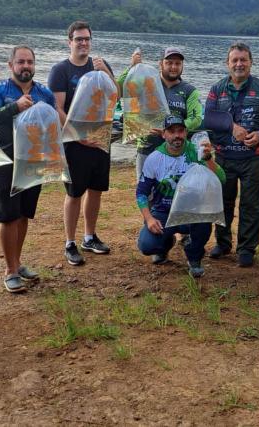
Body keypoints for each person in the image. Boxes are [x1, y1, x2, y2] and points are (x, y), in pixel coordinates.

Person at [0, 45, 56, 293]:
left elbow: (52, 127)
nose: (26, 67)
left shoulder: (45, 93)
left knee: (24, 215)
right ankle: (9, 270)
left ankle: (18, 261)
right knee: (8, 216)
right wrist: (15, 107)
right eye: (21, 62)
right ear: (10, 64)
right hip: (7, 161)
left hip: (34, 161)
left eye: (30, 62)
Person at [48, 20, 116, 266]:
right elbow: (57, 107)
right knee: (75, 192)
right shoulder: (61, 70)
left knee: (96, 190)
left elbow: (116, 95)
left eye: (87, 39)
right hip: (75, 142)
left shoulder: (100, 65)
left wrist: (106, 72)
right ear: (70, 42)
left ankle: (89, 236)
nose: (83, 43)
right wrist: (79, 135)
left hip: (99, 139)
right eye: (78, 39)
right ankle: (70, 242)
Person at [202, 42, 259, 267]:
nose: (239, 64)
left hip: (254, 158)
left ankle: (246, 248)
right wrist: (232, 127)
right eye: (235, 60)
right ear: (227, 63)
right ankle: (223, 244)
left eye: (243, 60)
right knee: (222, 202)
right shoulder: (217, 89)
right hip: (224, 157)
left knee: (251, 204)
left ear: (251, 62)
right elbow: (209, 118)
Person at [135, 116, 225, 278]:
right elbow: (141, 192)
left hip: (192, 212)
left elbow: (221, 179)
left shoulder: (196, 152)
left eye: (180, 131)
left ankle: (194, 256)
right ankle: (165, 244)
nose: (177, 135)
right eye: (171, 131)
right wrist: (149, 218)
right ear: (163, 134)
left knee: (204, 222)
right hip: (163, 212)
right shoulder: (154, 158)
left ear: (186, 132)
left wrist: (209, 159)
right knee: (147, 246)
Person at [118, 46, 203, 178]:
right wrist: (132, 67)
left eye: (177, 63)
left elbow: (196, 118)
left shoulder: (189, 91)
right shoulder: (146, 84)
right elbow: (119, 91)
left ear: (182, 66)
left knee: (172, 192)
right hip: (147, 148)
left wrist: (171, 131)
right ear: (160, 64)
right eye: (169, 63)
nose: (173, 67)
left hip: (176, 151)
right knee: (144, 193)